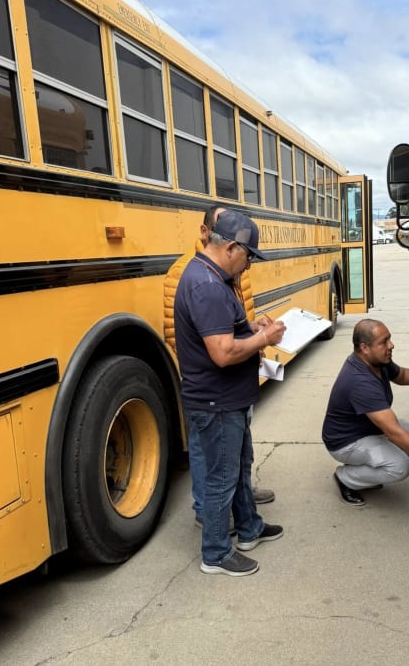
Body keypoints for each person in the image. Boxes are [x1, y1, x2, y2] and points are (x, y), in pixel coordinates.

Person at [174, 209, 286, 576]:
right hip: (216, 401)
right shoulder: (206, 286)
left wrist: (250, 326)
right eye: (249, 256)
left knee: (237, 470)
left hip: (227, 399)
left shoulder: (209, 276)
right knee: (222, 478)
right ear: (232, 247)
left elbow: (224, 331)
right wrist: (263, 339)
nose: (249, 265)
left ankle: (250, 528)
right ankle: (216, 554)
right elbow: (222, 353)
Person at [321, 318, 409, 506]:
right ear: (364, 348)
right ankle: (346, 477)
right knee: (400, 467)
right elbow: (394, 433)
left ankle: (370, 466)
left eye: (389, 339)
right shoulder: (360, 382)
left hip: (367, 429)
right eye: (384, 342)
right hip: (346, 442)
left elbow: (402, 375)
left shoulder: (376, 361)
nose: (391, 345)